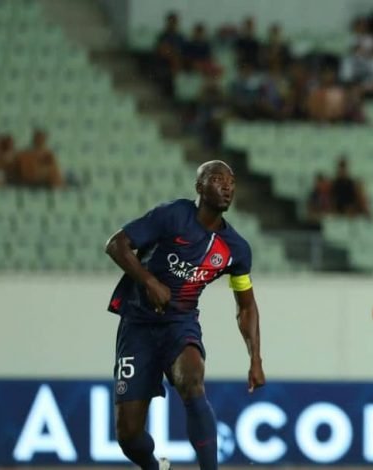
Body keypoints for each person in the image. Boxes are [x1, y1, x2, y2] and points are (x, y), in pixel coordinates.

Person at [104, 161, 266, 470]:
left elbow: (246, 305)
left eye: (231, 182)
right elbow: (116, 245)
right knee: (129, 436)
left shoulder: (236, 249)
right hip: (138, 326)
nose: (227, 186)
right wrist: (149, 282)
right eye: (217, 179)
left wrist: (255, 358)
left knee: (192, 380)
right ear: (199, 187)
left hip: (180, 324)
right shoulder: (173, 215)